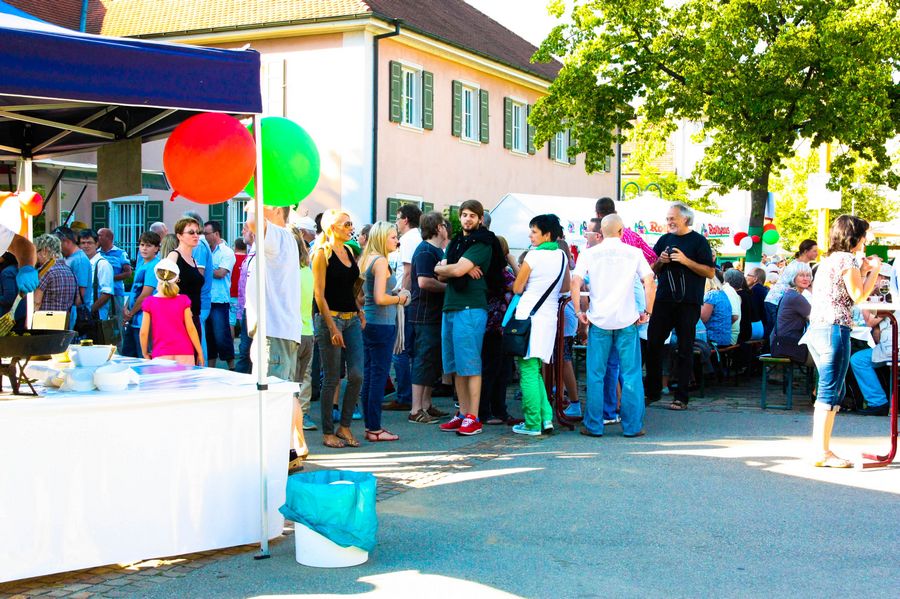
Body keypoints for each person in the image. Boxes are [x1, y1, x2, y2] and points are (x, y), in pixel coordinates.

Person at [806, 215, 881, 468]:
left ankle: (822, 450)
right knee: (831, 391)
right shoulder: (847, 259)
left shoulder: (829, 260)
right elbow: (859, 296)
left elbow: (844, 289)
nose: (866, 240)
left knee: (830, 389)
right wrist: (875, 270)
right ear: (854, 236)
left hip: (819, 327)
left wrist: (864, 271)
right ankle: (822, 451)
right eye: (864, 235)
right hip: (835, 327)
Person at [572, 214, 655, 437]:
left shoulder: (589, 253)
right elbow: (649, 282)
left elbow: (575, 281)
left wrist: (579, 311)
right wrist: (647, 311)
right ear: (621, 231)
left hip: (599, 319)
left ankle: (593, 425)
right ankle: (633, 426)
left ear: (601, 232)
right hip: (627, 319)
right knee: (631, 374)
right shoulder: (634, 252)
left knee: (595, 374)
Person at [645, 203, 716, 410]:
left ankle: (681, 397)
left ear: (685, 219)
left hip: (688, 302)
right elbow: (652, 269)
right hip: (664, 300)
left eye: (672, 218)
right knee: (653, 343)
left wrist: (686, 261)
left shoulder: (699, 241)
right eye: (667, 219)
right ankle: (653, 391)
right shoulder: (664, 240)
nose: (669, 222)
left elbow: (710, 272)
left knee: (685, 348)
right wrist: (661, 260)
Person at [434, 200, 495, 436]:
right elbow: (439, 274)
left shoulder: (482, 242)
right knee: (456, 367)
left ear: (479, 219)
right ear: (459, 218)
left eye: (472, 215)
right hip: (450, 306)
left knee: (470, 365)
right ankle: (462, 414)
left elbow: (452, 270)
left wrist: (453, 267)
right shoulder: (456, 242)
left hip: (470, 307)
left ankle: (473, 417)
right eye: (464, 215)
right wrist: (456, 267)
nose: (468, 219)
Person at [509, 215, 569, 435]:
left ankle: (532, 423)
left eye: (534, 231)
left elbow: (517, 287)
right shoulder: (562, 255)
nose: (530, 235)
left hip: (529, 316)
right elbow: (565, 287)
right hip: (549, 318)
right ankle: (546, 417)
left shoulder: (533, 255)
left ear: (547, 234)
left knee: (527, 370)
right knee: (535, 370)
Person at [312, 209, 363, 449]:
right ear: (332, 227)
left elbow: (350, 286)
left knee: (357, 374)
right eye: (346, 224)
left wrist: (359, 310)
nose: (350, 228)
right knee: (332, 378)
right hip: (329, 318)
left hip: (351, 318)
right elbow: (318, 294)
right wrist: (333, 328)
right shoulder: (322, 253)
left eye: (351, 223)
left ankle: (344, 426)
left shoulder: (350, 251)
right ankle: (327, 432)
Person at [359, 222, 408, 441]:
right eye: (393, 237)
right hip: (381, 324)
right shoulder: (380, 261)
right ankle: (375, 428)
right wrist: (400, 298)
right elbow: (380, 298)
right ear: (381, 238)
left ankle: (371, 425)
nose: (397, 241)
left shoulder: (366, 258)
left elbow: (362, 296)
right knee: (378, 376)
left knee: (370, 375)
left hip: (369, 322)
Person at [408, 211, 450, 423]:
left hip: (432, 314)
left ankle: (426, 405)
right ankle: (416, 409)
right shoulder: (425, 251)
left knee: (431, 361)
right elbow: (424, 282)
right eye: (443, 225)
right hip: (425, 314)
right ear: (438, 228)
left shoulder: (435, 250)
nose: (446, 228)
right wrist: (449, 288)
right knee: (423, 360)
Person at [382, 204, 422, 412]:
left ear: (405, 219)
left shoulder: (408, 239)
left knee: (400, 348)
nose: (396, 223)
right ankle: (410, 395)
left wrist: (402, 296)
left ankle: (405, 395)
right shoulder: (417, 237)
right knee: (410, 350)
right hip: (413, 299)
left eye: (398, 218)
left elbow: (407, 272)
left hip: (404, 299)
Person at [480, 235, 517, 426]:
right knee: (498, 371)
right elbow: (520, 286)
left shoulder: (486, 271)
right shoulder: (503, 274)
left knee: (494, 370)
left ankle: (493, 410)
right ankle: (491, 411)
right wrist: (512, 261)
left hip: (490, 326)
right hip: (499, 327)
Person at [849, 263, 895, 416]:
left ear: (882, 278)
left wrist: (864, 294)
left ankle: (878, 402)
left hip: (893, 348)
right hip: (891, 346)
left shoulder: (888, 297)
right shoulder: (889, 295)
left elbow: (869, 322)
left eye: (873, 276)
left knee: (857, 360)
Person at [140, 259, 203, 366]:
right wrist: (200, 352)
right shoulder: (184, 300)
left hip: (161, 353)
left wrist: (145, 353)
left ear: (157, 277)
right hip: (185, 352)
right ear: (177, 279)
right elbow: (191, 328)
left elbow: (144, 332)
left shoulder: (149, 302)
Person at [203, 220, 236, 369]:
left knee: (222, 336)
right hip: (207, 299)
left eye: (207, 233)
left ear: (216, 234)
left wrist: (203, 270)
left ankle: (232, 367)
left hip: (219, 300)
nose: (204, 236)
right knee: (209, 336)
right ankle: (211, 368)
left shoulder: (227, 252)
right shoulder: (205, 250)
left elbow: (221, 273)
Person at [122, 232, 161, 358]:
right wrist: (126, 307)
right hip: (134, 318)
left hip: (145, 320)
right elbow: (135, 289)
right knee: (128, 356)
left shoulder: (155, 266)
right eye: (142, 245)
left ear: (156, 248)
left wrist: (130, 313)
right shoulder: (141, 263)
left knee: (144, 357)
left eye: (149, 246)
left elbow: (146, 294)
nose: (144, 248)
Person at [769, 260, 813, 365]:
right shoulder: (796, 297)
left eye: (808, 275)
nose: (806, 278)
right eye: (801, 275)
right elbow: (815, 319)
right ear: (793, 277)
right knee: (829, 356)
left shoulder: (790, 293)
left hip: (781, 343)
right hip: (788, 345)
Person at [165, 218, 204, 335]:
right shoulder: (174, 256)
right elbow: (164, 286)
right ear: (179, 236)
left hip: (194, 316)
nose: (196, 235)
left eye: (198, 232)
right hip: (178, 317)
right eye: (191, 232)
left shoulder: (193, 260)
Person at [184, 210, 214, 361]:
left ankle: (201, 370)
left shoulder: (199, 246)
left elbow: (198, 276)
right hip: (198, 301)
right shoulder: (198, 244)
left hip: (198, 301)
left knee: (198, 342)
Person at [97, 228, 133, 339]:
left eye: (100, 235)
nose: (97, 237)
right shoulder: (97, 253)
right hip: (100, 293)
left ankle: (119, 346)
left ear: (109, 238)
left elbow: (128, 273)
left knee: (117, 322)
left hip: (116, 292)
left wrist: (108, 278)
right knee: (101, 321)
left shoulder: (120, 253)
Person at [53, 226, 90, 324]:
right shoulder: (68, 257)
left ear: (66, 241)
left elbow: (81, 292)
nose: (56, 249)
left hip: (76, 314)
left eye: (57, 244)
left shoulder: (79, 260)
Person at [33, 234, 78, 315]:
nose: (35, 256)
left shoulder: (46, 271)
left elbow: (36, 302)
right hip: (64, 321)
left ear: (44, 251)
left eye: (36, 252)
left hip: (44, 320)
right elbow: (77, 300)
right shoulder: (70, 271)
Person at [78, 229, 115, 322]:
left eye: (89, 243)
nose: (86, 246)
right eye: (83, 243)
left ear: (97, 244)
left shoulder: (103, 264)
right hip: (80, 316)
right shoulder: (80, 264)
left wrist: (90, 311)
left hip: (96, 317)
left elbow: (107, 293)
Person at [234, 224, 255, 374]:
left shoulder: (258, 254)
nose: (242, 231)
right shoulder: (251, 252)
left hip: (253, 308)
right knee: (245, 351)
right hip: (246, 308)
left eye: (245, 228)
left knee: (246, 352)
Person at [700, 276, 733, 347]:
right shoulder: (723, 294)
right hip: (725, 339)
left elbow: (703, 318)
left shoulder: (710, 295)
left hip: (713, 339)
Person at [0, 253, 25, 331]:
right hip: (22, 314)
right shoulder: (20, 269)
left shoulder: (7, 272)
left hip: (8, 319)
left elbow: (8, 298)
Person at [746, 267, 769, 340]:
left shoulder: (755, 291)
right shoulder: (763, 290)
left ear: (755, 279)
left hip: (759, 329)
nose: (746, 277)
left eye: (748, 275)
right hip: (766, 328)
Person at [721, 269, 743, 345]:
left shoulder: (729, 291)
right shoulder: (735, 294)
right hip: (730, 335)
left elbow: (734, 316)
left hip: (728, 337)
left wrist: (721, 327)